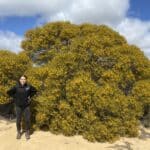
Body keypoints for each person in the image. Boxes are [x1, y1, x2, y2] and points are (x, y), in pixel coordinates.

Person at [7, 75, 37, 140]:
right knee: (18, 120)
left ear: (26, 80)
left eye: (24, 79)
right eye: (21, 79)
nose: (23, 80)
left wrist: (30, 96)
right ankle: (18, 132)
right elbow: (9, 92)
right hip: (18, 106)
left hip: (26, 106)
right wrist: (15, 98)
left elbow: (35, 91)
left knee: (27, 120)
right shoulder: (16, 87)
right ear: (19, 80)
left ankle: (27, 132)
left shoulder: (28, 86)